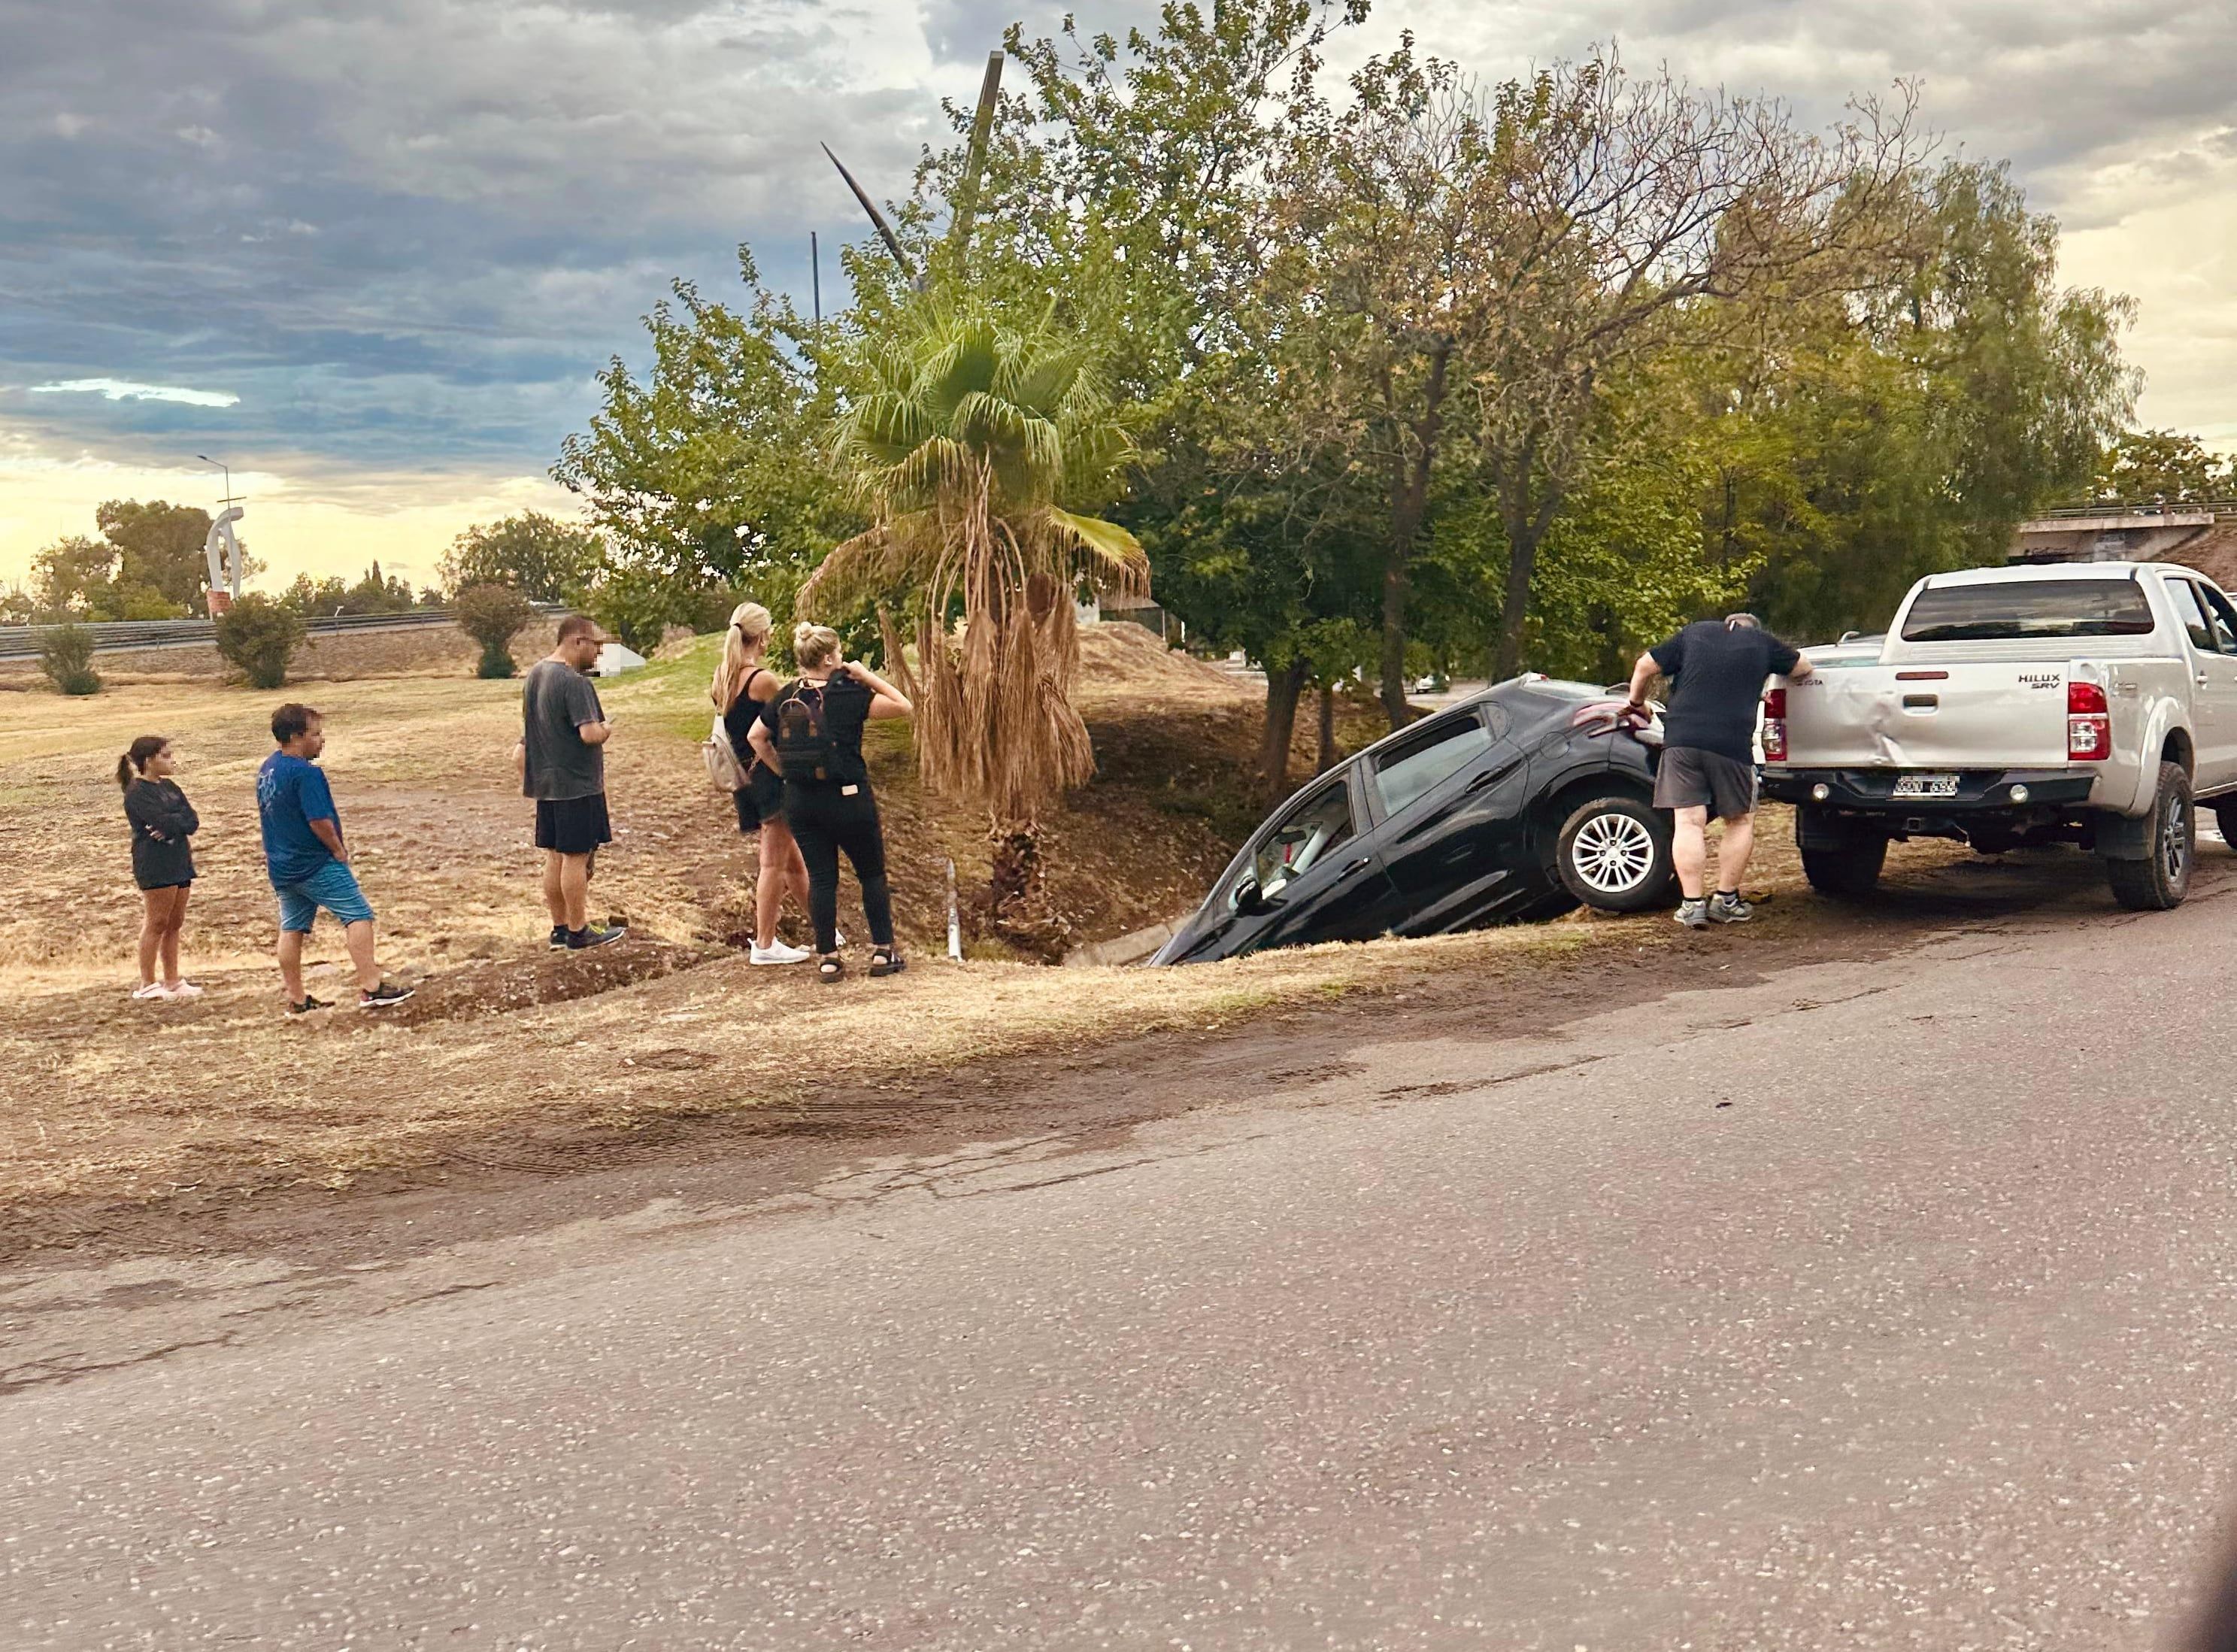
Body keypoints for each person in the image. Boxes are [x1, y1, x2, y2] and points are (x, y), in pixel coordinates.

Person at [1625, 612, 1815, 929]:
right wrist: (1768, 677)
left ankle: (1692, 905)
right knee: (1740, 819)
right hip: (1731, 744)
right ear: (1755, 629)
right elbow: (1804, 668)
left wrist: (1636, 703)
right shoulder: (1763, 643)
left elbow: (1645, 665)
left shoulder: (1695, 633)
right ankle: (1725, 900)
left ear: (1728, 622)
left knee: (1688, 821)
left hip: (1682, 739)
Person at [747, 623, 912, 983]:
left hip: (801, 800)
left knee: (822, 878)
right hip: (849, 797)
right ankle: (883, 951)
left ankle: (828, 958)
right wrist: (866, 675)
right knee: (871, 873)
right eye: (838, 653)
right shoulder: (850, 693)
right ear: (828, 658)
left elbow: (756, 736)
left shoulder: (787, 695)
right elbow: (903, 705)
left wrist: (784, 772)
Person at [256, 703, 414, 1011]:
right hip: (314, 863)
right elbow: (319, 820)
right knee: (358, 916)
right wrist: (337, 850)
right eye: (316, 734)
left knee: (292, 927)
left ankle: (297, 998)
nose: (322, 740)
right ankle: (372, 986)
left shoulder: (268, 769)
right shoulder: (306, 773)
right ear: (297, 736)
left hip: (282, 866)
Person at [712, 601, 814, 965]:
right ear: (764, 635)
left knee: (792, 861)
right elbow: (791, 721)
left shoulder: (722, 676)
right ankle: (766, 943)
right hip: (770, 777)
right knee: (773, 863)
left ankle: (825, 928)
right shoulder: (762, 680)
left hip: (746, 777)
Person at [519, 615, 626, 951]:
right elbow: (589, 733)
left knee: (555, 856)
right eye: (596, 646)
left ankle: (560, 928)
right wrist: (609, 728)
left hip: (547, 785)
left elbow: (525, 739)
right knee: (576, 857)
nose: (598, 654)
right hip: (577, 786)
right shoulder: (574, 681)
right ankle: (580, 931)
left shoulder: (535, 675)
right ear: (578, 641)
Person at [119, 735, 202, 1001]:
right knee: (157, 921)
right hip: (155, 862)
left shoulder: (171, 787)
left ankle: (173, 980)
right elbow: (160, 821)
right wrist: (173, 822)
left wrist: (174, 821)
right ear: (149, 760)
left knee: (175, 922)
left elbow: (191, 821)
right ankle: (147, 983)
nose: (171, 760)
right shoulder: (137, 792)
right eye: (165, 755)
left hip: (179, 858)